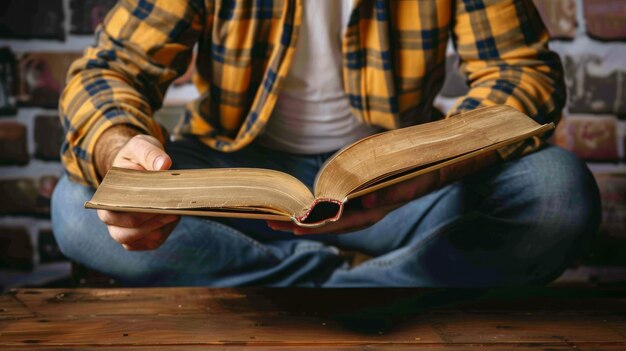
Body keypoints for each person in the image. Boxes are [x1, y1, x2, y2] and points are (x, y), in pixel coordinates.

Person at [52, 0, 601, 287]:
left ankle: (290, 295)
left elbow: (522, 72)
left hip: (396, 183)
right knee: (80, 209)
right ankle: (362, 291)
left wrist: (430, 167)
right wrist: (120, 145)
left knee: (558, 194)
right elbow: (111, 69)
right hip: (239, 179)